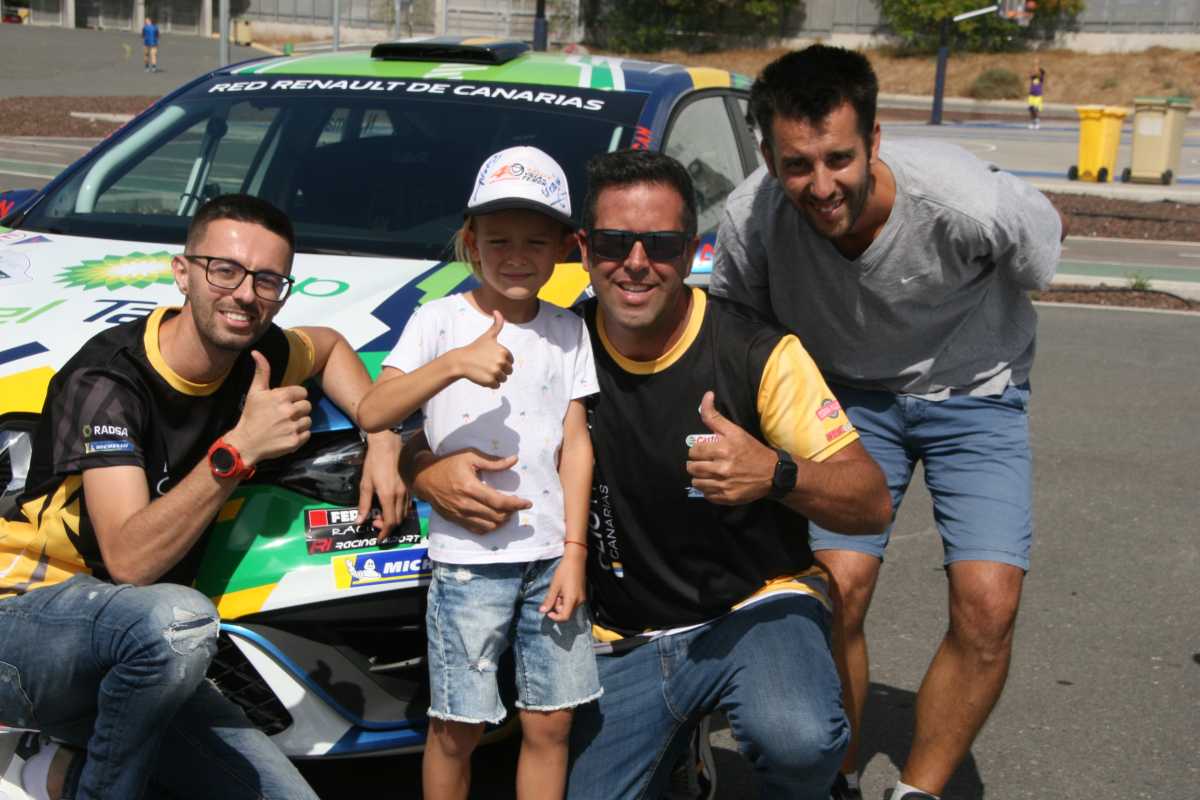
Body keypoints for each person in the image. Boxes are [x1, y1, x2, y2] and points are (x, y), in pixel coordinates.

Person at [404, 149, 892, 800]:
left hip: (750, 607)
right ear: (584, 250)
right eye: (614, 242)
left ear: (689, 252)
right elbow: (424, 414)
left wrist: (776, 472)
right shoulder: (555, 341)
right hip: (622, 635)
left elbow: (872, 503)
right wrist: (420, 468)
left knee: (797, 736)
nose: (636, 262)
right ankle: (681, 753)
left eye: (660, 244)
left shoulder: (759, 352)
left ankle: (813, 786)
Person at [709, 45, 1066, 800]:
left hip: (976, 390)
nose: (821, 185)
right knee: (834, 591)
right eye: (797, 164)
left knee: (988, 606)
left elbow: (1038, 258)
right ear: (768, 158)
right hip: (843, 397)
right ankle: (833, 776)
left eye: (839, 158)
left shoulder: (966, 201)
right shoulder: (753, 217)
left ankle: (918, 791)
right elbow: (740, 336)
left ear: (874, 140)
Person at [0, 194, 405, 800]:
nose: (245, 294)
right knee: (177, 618)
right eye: (225, 270)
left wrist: (382, 433)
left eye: (267, 280)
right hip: (28, 623)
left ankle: (42, 765)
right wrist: (238, 450)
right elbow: (131, 563)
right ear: (182, 273)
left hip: (141, 656)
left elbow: (330, 346)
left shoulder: (256, 353)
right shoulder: (108, 381)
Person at [358, 145, 601, 800]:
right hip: (467, 567)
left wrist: (575, 552)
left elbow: (576, 445)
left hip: (551, 560)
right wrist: (454, 364)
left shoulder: (569, 331)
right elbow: (374, 411)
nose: (516, 256)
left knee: (551, 723)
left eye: (535, 241)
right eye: (498, 240)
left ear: (563, 248)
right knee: (456, 726)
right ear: (471, 242)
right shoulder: (438, 321)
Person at [1028, 64, 1046, 129]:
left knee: (1036, 109)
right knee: (1031, 109)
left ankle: (1036, 121)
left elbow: (1042, 74)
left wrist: (1039, 71)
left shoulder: (1041, 78)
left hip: (1038, 96)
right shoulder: (1033, 78)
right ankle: (1032, 122)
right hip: (1031, 96)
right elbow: (1031, 75)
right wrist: (1034, 71)